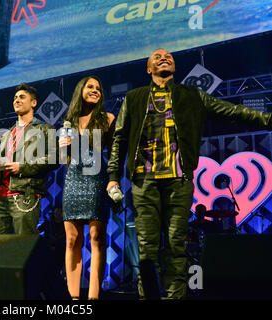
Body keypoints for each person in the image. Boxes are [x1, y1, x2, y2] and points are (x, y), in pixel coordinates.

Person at [106, 48, 272, 299]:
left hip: (179, 180)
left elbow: (233, 111)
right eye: (157, 57)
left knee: (176, 247)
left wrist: (268, 119)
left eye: (169, 57)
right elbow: (119, 138)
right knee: (147, 250)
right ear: (148, 69)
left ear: (175, 67)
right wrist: (112, 178)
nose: (164, 57)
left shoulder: (191, 95)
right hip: (144, 180)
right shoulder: (134, 97)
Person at [59, 76, 116, 300]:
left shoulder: (108, 119)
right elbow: (64, 159)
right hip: (73, 179)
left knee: (96, 237)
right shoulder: (68, 122)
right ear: (80, 90)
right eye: (90, 87)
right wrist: (63, 147)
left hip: (96, 180)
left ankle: (93, 298)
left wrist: (114, 181)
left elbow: (114, 155)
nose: (95, 91)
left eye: (99, 89)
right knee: (72, 239)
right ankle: (73, 299)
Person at [0, 83, 58, 235]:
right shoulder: (7, 134)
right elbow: (4, 162)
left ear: (33, 103)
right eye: (15, 98)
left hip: (25, 196)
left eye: (22, 97)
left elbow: (54, 158)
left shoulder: (45, 129)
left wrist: (22, 167)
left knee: (22, 249)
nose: (17, 100)